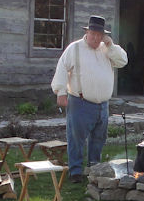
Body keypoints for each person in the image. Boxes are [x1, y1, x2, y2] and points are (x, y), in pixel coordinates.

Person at [51, 15, 128, 183]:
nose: (95, 38)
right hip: (80, 102)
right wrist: (61, 92)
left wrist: (110, 45)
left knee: (99, 138)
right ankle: (75, 171)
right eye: (93, 34)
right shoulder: (75, 48)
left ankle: (94, 168)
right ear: (87, 32)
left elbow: (123, 61)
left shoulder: (108, 49)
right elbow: (62, 68)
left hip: (102, 105)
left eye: (99, 35)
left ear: (103, 36)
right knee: (76, 138)